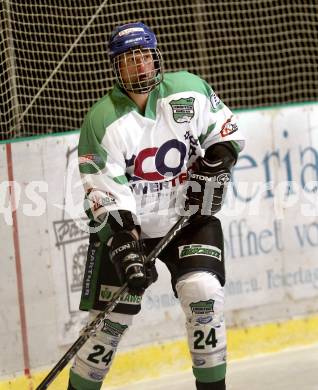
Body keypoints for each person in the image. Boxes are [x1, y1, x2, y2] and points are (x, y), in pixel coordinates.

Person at [68, 22, 245, 390]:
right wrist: (126, 245)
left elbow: (224, 133)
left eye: (146, 55)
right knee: (107, 327)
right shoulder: (103, 121)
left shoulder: (188, 91)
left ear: (156, 57)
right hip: (129, 231)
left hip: (188, 220)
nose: (142, 65)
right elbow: (106, 194)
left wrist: (219, 160)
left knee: (203, 294)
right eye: (131, 59)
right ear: (117, 68)